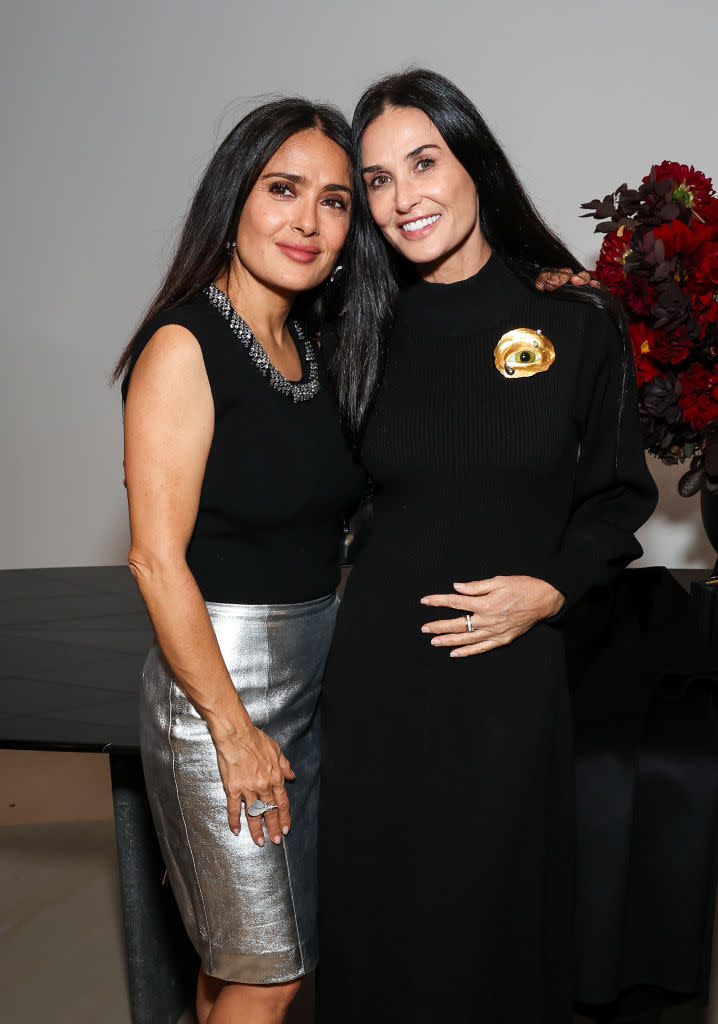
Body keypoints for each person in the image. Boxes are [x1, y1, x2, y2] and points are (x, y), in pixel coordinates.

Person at [317, 69, 659, 1023]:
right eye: (377, 180)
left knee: (494, 918)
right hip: (377, 673)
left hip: (510, 672)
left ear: (474, 163)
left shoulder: (574, 319)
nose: (403, 197)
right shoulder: (355, 327)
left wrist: (549, 589)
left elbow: (621, 494)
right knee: (378, 920)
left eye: (423, 163)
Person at [114, 99, 365, 1024]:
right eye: (283, 189)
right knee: (271, 972)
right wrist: (232, 729)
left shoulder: (314, 346)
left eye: (334, 201)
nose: (307, 222)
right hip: (219, 693)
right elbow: (154, 560)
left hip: (309, 686)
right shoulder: (186, 344)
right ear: (235, 198)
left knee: (235, 961)